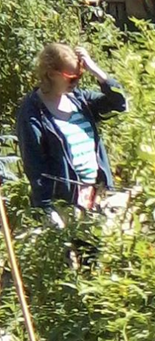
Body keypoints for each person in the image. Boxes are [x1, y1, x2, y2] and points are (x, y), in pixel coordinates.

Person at [16, 43, 127, 223]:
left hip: (97, 197)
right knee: (75, 250)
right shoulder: (32, 112)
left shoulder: (80, 100)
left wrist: (94, 69)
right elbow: (35, 166)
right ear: (51, 74)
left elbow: (119, 103)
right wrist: (47, 210)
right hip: (65, 207)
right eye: (71, 77)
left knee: (99, 250)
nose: (76, 82)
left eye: (80, 76)